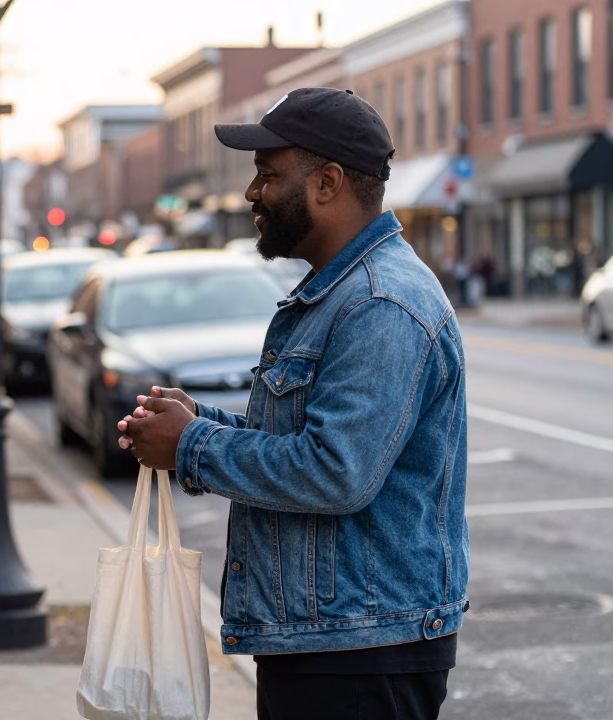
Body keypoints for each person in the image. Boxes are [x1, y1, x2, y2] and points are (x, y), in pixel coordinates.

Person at [120, 88, 469, 720]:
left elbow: (337, 472)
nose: (253, 193)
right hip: (336, 639)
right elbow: (306, 440)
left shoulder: (378, 304)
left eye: (268, 175)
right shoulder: (338, 293)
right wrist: (199, 425)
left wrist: (193, 446)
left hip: (363, 650)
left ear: (328, 183)